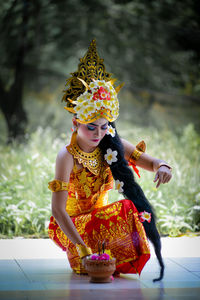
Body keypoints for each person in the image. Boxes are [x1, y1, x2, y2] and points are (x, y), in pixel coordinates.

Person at [48, 40, 172, 281]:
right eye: (91, 127)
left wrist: (163, 166)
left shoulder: (110, 143)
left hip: (102, 225)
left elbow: (152, 162)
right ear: (75, 123)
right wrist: (83, 250)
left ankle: (106, 258)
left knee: (136, 209)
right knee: (125, 208)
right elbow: (57, 210)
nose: (98, 133)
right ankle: (90, 256)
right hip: (73, 231)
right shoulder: (67, 156)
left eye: (104, 127)